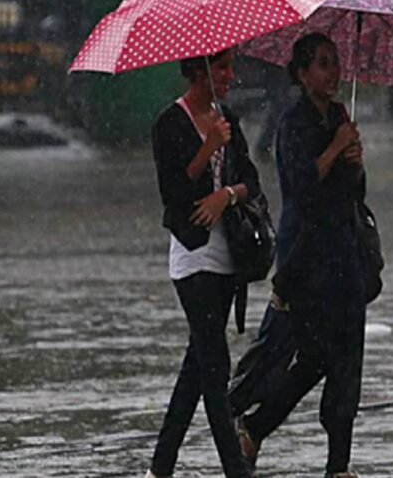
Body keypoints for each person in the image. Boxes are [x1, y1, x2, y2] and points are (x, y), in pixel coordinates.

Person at [233, 33, 368, 478]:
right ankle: (253, 425)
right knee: (315, 357)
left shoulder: (340, 117)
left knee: (347, 359)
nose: (333, 73)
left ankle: (339, 465)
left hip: (345, 257)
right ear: (303, 73)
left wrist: (355, 158)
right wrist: (334, 148)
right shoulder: (293, 124)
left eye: (335, 63)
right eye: (323, 64)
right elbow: (303, 189)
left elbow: (352, 193)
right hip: (309, 260)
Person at [146, 48, 261, 478]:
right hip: (192, 257)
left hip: (229, 254)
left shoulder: (227, 117)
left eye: (230, 67)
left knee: (197, 367)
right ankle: (236, 469)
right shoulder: (169, 124)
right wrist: (207, 147)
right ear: (199, 71)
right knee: (214, 365)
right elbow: (173, 192)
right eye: (223, 67)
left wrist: (226, 195)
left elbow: (251, 181)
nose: (231, 75)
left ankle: (161, 466)